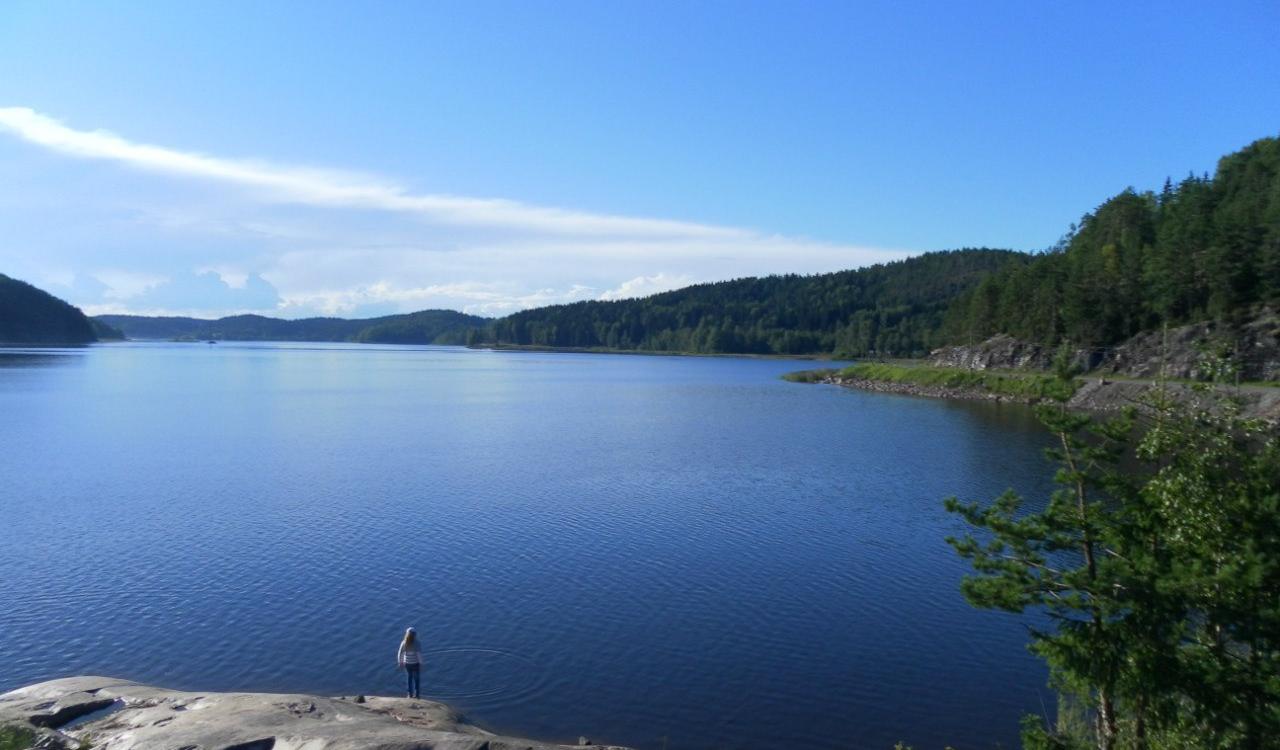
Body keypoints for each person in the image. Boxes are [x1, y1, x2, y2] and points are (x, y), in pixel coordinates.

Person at [397, 627, 422, 699]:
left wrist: (400, 662)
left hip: (407, 664)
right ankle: (417, 695)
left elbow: (400, 653)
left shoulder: (404, 643)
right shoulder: (417, 643)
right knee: (417, 679)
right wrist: (421, 663)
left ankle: (409, 695)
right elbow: (419, 654)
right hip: (415, 664)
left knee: (409, 678)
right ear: (415, 635)